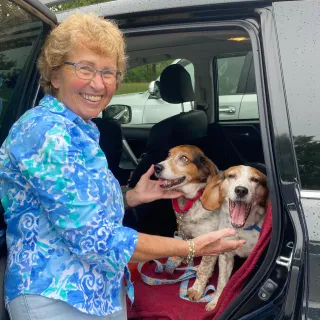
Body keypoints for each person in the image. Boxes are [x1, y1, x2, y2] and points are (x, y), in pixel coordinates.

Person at [0, 13, 245, 320]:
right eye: (84, 68)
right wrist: (190, 248)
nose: (98, 83)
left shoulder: (81, 129)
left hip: (98, 289)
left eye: (109, 72)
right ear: (54, 74)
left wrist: (132, 197)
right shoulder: (47, 133)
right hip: (57, 297)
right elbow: (97, 240)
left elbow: (79, 206)